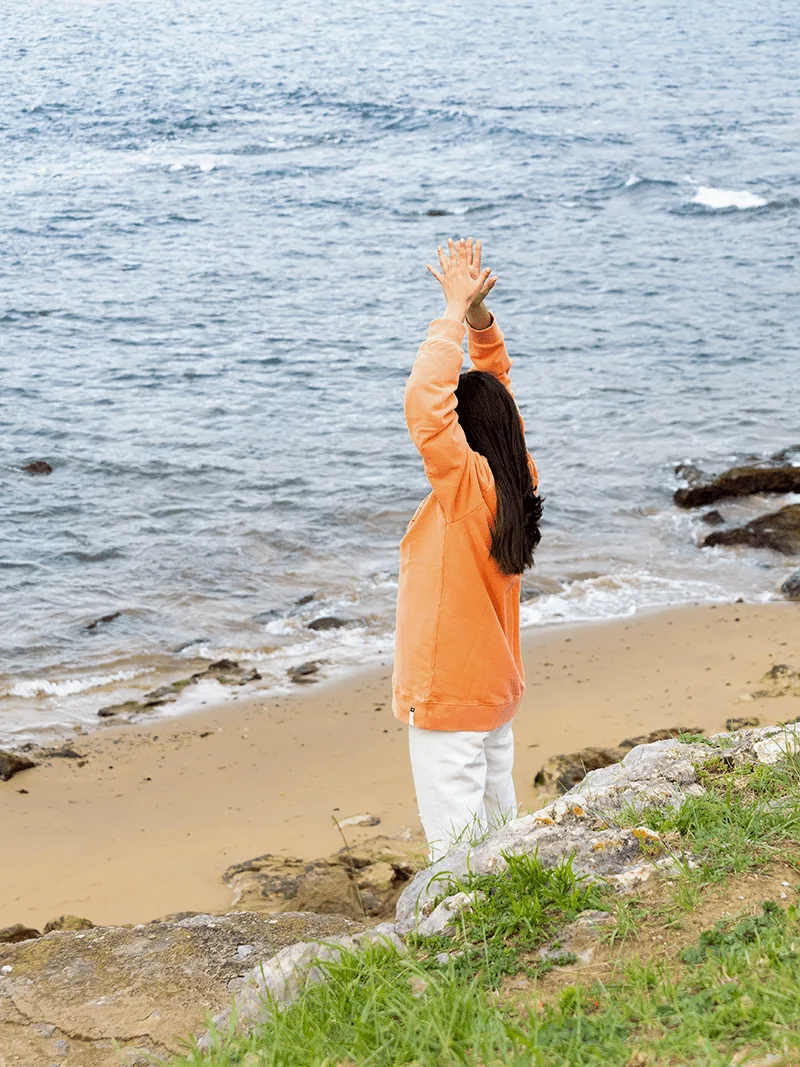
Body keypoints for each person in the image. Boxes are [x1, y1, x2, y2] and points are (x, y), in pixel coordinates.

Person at [393, 237, 542, 861]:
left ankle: (462, 948)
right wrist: (481, 323)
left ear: (466, 435)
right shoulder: (515, 476)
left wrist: (453, 313)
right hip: (493, 695)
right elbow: (495, 392)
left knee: (454, 855)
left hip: (452, 697)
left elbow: (427, 408)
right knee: (498, 837)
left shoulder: (464, 489)